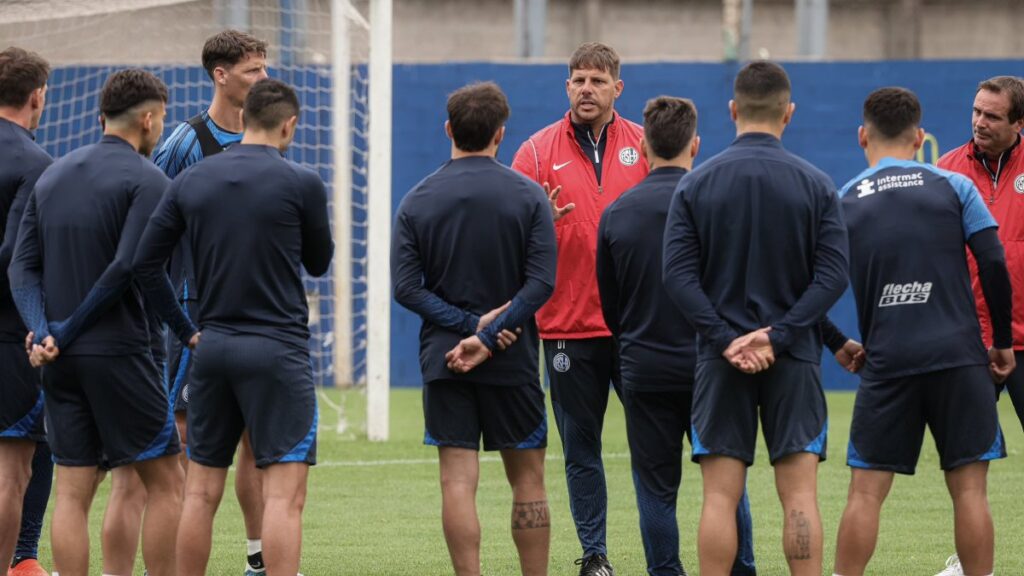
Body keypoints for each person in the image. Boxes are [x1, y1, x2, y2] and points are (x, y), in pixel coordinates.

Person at [133, 78, 332, 576]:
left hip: (212, 347)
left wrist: (184, 330)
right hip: (279, 351)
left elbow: (144, 264)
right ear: (289, 125)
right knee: (284, 498)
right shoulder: (302, 182)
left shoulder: (191, 180)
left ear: (242, 120)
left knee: (199, 492)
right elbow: (320, 261)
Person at [662, 60, 849, 576]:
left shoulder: (696, 186)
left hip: (721, 363)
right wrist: (780, 335)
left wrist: (727, 341)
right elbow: (832, 277)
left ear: (732, 109)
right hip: (794, 361)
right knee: (799, 495)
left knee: (720, 498)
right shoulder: (816, 184)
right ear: (788, 113)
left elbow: (677, 278)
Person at [7, 68, 184, 576]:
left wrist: (44, 330)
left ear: (99, 115)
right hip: (121, 355)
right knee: (166, 481)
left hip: (57, 363)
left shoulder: (53, 174)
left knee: (72, 491)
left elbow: (23, 267)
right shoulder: (150, 180)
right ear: (149, 120)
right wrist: (65, 329)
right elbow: (129, 266)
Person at [831, 87, 1013, 576]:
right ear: (920, 138)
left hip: (888, 362)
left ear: (862, 135)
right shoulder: (954, 185)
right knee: (970, 491)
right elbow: (993, 262)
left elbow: (805, 288)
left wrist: (836, 342)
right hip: (960, 355)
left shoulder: (844, 199)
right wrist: (1000, 342)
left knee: (865, 494)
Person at [392, 81, 556, 576]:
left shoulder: (417, 200)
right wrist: (491, 333)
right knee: (528, 481)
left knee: (457, 484)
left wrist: (469, 329)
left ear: (449, 129)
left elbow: (407, 289)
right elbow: (542, 283)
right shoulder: (529, 196)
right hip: (513, 359)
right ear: (501, 134)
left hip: (446, 358)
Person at [595, 95, 755, 576]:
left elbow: (611, 308)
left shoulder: (617, 213)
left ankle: (665, 572)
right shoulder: (717, 204)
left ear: (642, 147)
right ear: (696, 145)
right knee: (725, 486)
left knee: (655, 487)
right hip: (712, 367)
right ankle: (741, 569)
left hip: (644, 367)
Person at [510, 41, 648, 576]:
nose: (585, 89)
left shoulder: (646, 144)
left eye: (596, 80)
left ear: (618, 87)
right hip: (566, 327)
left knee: (652, 450)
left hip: (636, 327)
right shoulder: (537, 153)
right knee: (580, 452)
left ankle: (663, 553)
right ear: (566, 86)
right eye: (577, 80)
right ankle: (595, 556)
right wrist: (532, 220)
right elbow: (511, 237)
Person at [152, 29, 270, 575]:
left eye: (265, 68)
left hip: (259, 315)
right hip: (195, 313)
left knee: (254, 439)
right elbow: (148, 227)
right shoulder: (182, 143)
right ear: (220, 75)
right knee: (181, 439)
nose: (263, 78)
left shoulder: (270, 138)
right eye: (252, 70)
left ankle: (258, 559)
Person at [937, 76, 1024, 433]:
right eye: (976, 112)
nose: (979, 122)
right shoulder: (946, 169)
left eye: (992, 116)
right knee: (966, 451)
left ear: (1018, 123)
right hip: (969, 338)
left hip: (1023, 337)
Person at [0, 46, 52, 576]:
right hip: (8, 333)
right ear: (37, 95)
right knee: (12, 469)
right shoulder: (35, 162)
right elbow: (17, 258)